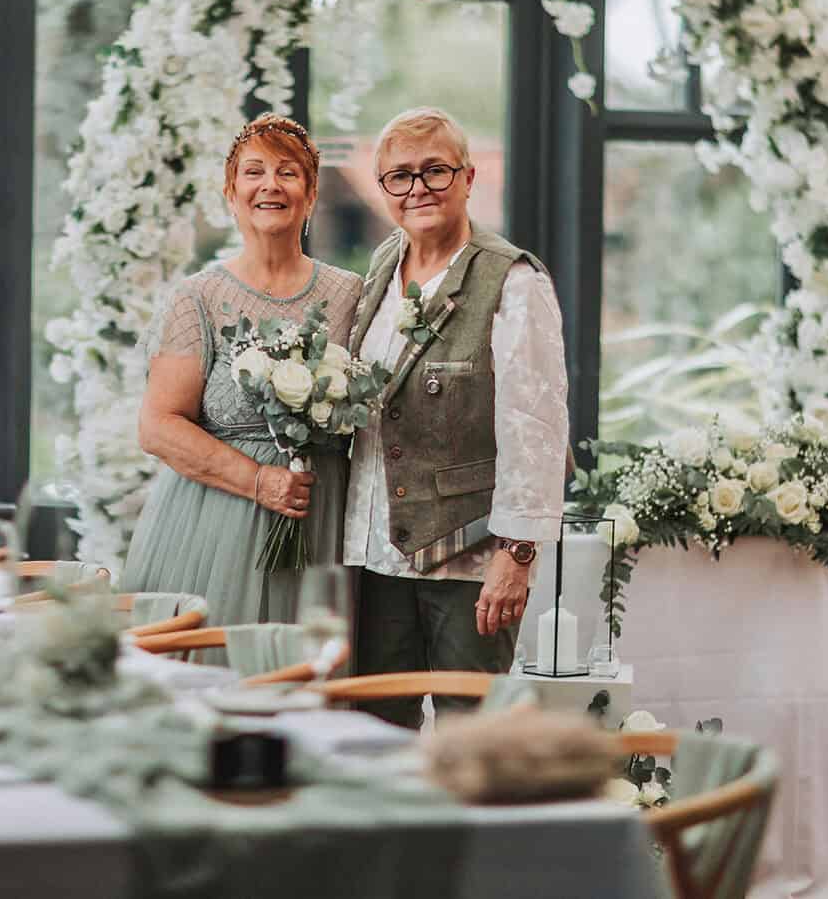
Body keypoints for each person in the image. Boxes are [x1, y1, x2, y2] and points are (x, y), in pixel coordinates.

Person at [344, 107, 569, 728]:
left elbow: (538, 426)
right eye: (400, 176)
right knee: (373, 730)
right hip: (373, 551)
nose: (418, 188)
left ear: (468, 178)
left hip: (468, 556)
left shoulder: (513, 280)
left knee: (471, 736)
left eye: (435, 171)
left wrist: (515, 555)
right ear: (384, 188)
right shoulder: (382, 265)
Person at [120, 114, 363, 625]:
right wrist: (258, 481)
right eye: (254, 172)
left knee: (305, 680)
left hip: (322, 524)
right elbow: (158, 426)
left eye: (288, 172)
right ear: (231, 194)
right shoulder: (198, 299)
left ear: (312, 194)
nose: (270, 185)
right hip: (210, 528)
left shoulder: (351, 296)